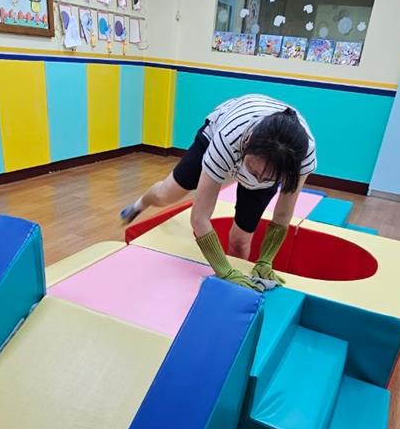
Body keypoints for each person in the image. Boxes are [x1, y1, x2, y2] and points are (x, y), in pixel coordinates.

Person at [120, 94, 316, 290]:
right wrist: (224, 270)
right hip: (218, 132)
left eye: (267, 178)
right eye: (253, 171)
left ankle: (234, 292)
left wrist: (265, 260)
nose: (256, 180)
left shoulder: (303, 157)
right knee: (166, 194)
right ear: (246, 146)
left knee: (240, 242)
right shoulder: (228, 138)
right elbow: (199, 217)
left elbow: (283, 213)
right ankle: (140, 204)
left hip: (266, 154)